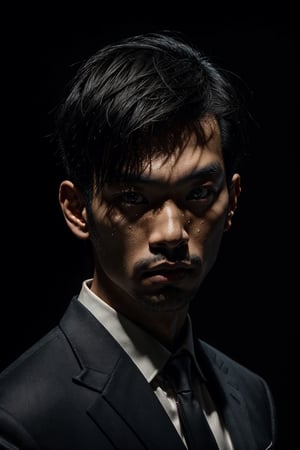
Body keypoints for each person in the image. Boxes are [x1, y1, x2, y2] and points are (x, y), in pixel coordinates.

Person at [0, 31, 277, 450]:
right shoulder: (19, 417)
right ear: (77, 210)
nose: (171, 233)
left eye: (199, 193)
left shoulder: (252, 397)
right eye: (132, 198)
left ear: (232, 199)